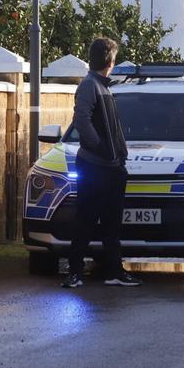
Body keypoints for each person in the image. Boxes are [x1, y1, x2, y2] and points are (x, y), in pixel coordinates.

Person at [63, 37, 141, 289]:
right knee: (85, 220)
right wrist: (99, 148)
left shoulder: (102, 86)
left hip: (111, 166)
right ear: (111, 61)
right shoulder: (90, 86)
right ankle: (75, 272)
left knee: (111, 224)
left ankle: (113, 271)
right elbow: (82, 120)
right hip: (96, 166)